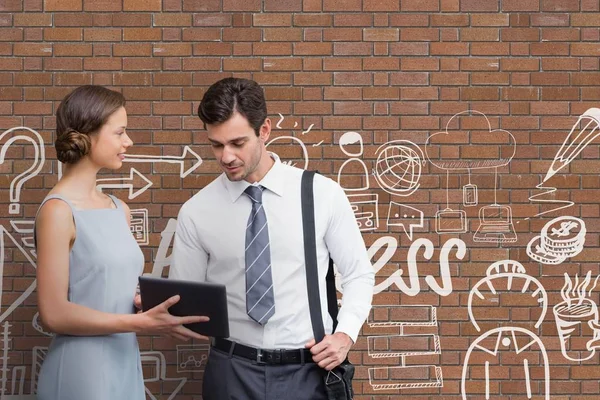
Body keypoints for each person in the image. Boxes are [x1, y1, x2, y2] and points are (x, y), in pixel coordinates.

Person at [170, 77, 375, 399]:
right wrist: (163, 309)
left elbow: (358, 273)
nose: (226, 157)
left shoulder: (320, 194)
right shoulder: (197, 211)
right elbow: (186, 301)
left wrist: (345, 335)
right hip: (230, 370)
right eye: (216, 144)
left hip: (308, 371)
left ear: (264, 130)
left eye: (237, 143)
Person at [34, 85, 208, 400]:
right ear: (87, 136)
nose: (128, 141)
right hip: (80, 371)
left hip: (124, 361)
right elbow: (54, 313)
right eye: (120, 132)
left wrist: (142, 303)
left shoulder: (119, 209)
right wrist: (138, 323)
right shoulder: (58, 211)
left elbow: (109, 286)